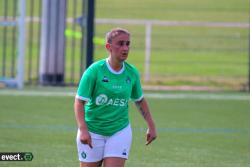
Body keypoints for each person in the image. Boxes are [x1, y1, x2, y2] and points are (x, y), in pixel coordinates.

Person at [74, 27, 157, 167]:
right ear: (108, 47)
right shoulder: (94, 71)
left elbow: (139, 100)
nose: (125, 48)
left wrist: (151, 126)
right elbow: (79, 101)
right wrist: (83, 129)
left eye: (128, 43)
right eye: (120, 43)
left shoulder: (132, 73)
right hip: (93, 130)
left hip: (119, 131)